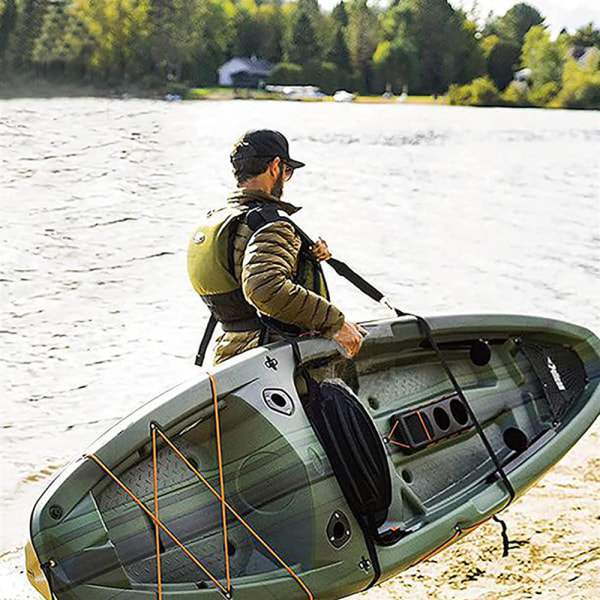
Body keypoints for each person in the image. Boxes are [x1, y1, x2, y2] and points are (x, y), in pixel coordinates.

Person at [187, 129, 366, 365]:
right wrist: (336, 323)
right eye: (288, 171)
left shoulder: (221, 220)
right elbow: (265, 289)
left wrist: (302, 254)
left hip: (229, 351)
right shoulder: (271, 224)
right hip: (273, 359)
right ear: (275, 166)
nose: (286, 177)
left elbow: (239, 271)